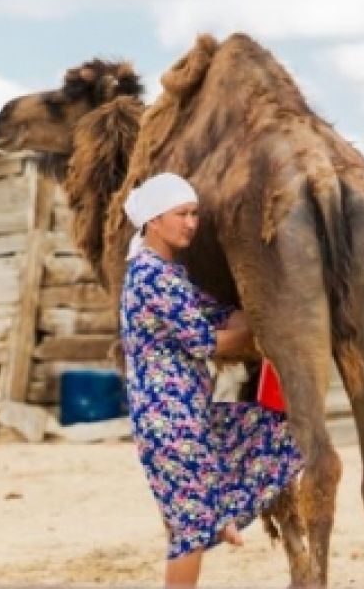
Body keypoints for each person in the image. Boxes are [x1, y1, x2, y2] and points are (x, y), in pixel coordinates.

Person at [119, 172, 303, 587]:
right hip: (168, 419)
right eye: (181, 214)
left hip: (189, 411)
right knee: (188, 533)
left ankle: (219, 511)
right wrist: (261, 334)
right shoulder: (151, 276)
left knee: (277, 426)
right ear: (153, 220)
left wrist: (251, 313)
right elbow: (206, 340)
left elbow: (220, 315)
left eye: (195, 214)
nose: (191, 223)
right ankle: (214, 515)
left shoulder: (170, 275)